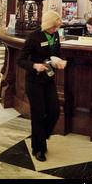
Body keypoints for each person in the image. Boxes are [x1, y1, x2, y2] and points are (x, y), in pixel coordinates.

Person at [17, 10, 67, 162]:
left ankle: (40, 136)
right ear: (47, 25)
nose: (55, 30)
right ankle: (38, 148)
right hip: (34, 81)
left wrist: (60, 61)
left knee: (54, 111)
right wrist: (34, 66)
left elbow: (57, 53)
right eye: (53, 27)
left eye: (56, 28)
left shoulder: (55, 36)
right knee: (38, 114)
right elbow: (21, 60)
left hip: (49, 79)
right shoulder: (33, 37)